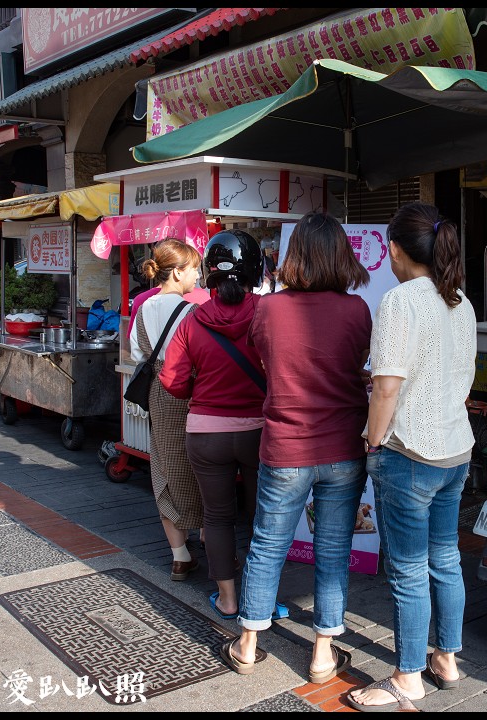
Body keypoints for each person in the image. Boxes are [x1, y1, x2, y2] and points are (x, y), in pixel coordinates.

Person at [219, 212, 372, 687]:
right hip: (344, 445)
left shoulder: (268, 309)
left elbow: (264, 354)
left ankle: (247, 644)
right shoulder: (358, 311)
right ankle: (323, 652)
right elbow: (356, 362)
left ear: (294, 255)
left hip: (285, 444)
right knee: (333, 549)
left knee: (267, 544)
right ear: (341, 256)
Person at [347, 202, 476, 711]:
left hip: (409, 454)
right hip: (455, 450)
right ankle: (446, 658)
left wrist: (372, 439)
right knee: (445, 559)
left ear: (395, 250)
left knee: (406, 568)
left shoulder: (401, 301)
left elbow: (386, 387)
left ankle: (406, 677)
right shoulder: (460, 301)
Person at [159, 230, 267, 623]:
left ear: (210, 273)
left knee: (217, 518)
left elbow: (172, 382)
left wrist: (200, 388)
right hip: (260, 433)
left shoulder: (192, 321)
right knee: (263, 518)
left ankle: (227, 600)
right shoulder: (267, 314)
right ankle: (260, 600)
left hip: (206, 434)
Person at [129, 238, 204, 582]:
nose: (198, 276)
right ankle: (208, 537)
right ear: (177, 272)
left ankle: (179, 555)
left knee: (164, 468)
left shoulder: (143, 307)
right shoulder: (193, 311)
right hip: (190, 394)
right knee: (200, 468)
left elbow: (136, 354)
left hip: (159, 395)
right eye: (194, 270)